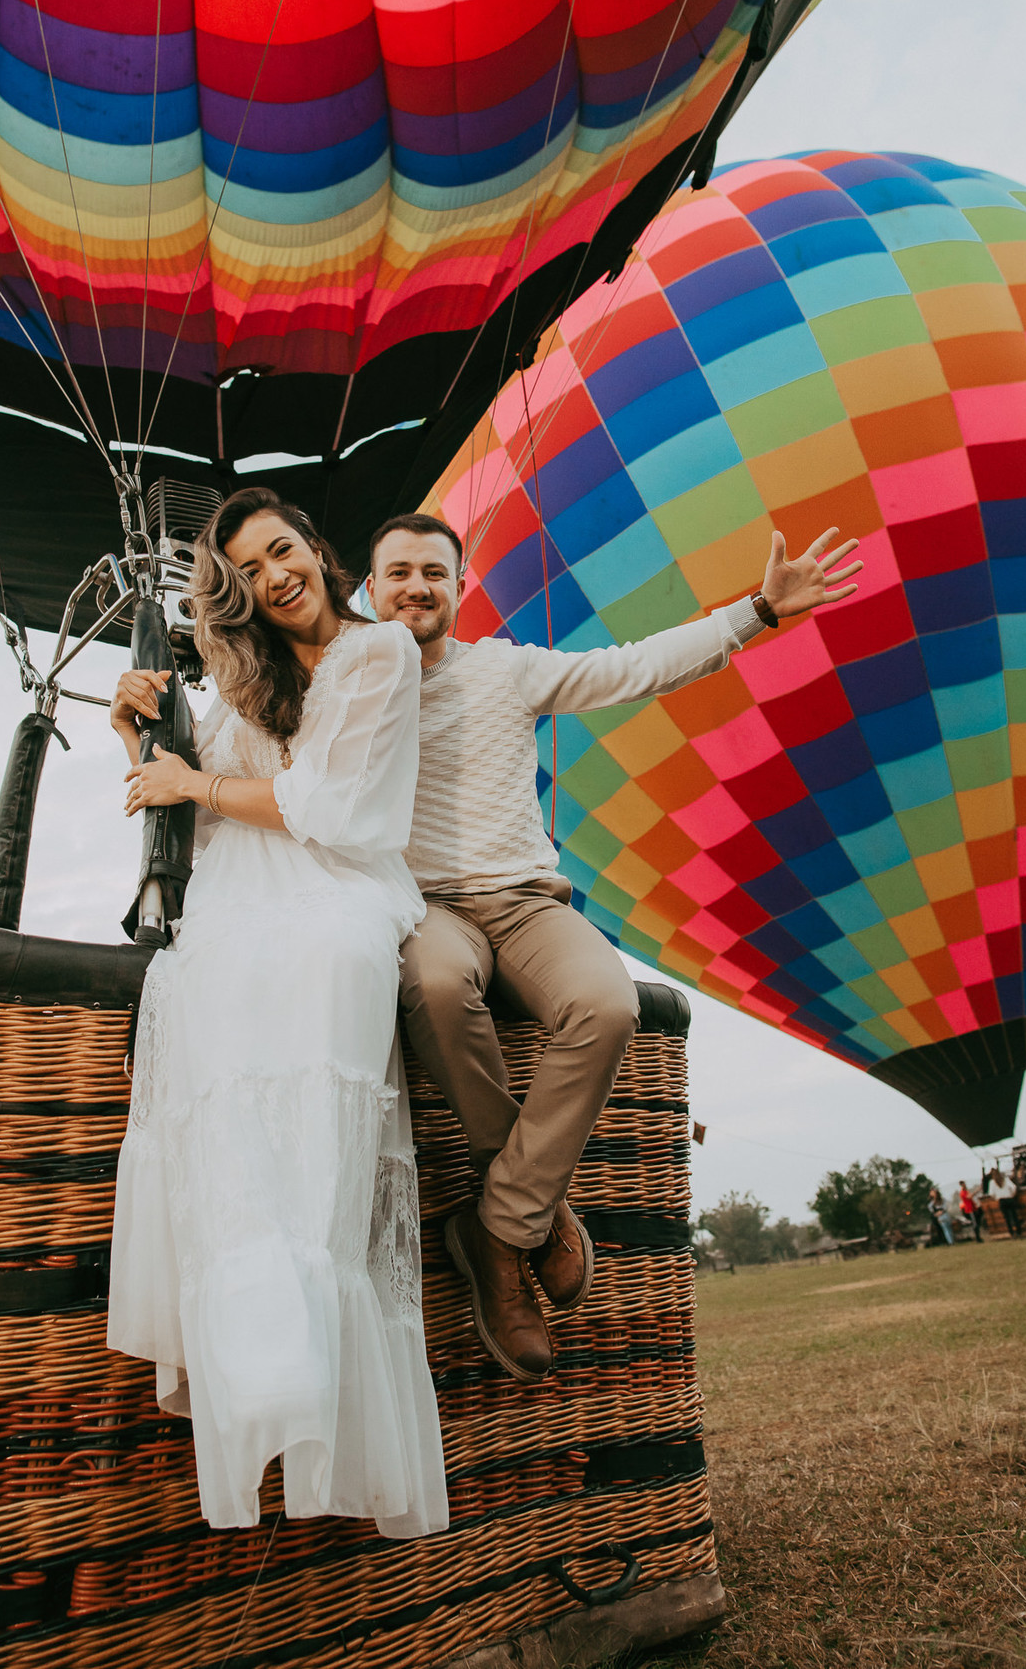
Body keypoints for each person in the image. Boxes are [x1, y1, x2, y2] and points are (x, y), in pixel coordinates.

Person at [367, 515, 862, 1383]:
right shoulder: (348, 688)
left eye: (434, 573)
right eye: (399, 572)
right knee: (437, 989)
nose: (417, 587)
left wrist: (758, 611)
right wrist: (156, 729)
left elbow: (637, 665)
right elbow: (259, 744)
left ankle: (494, 1229)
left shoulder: (507, 668)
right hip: (425, 911)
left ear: (458, 585)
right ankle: (531, 1206)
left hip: (524, 901)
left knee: (609, 1003)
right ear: (369, 591)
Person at [105, 488, 448, 1538]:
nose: (273, 575)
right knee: (201, 989)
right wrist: (140, 736)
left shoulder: (380, 650)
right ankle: (258, 1350)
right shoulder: (244, 681)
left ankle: (310, 1343)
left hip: (342, 884)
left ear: (318, 548)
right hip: (239, 889)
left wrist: (190, 783)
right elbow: (190, 806)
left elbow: (334, 808)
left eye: (282, 549)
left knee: (326, 969)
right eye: (248, 568)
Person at [988, 1164, 1023, 1238]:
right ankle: (1019, 1232)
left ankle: (1012, 1233)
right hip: (1009, 1199)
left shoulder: (992, 1182)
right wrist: (1012, 1195)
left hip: (1002, 1201)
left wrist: (996, 1198)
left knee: (1007, 1218)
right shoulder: (1005, 1179)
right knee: (1014, 1216)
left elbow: (991, 1194)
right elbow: (1013, 1187)